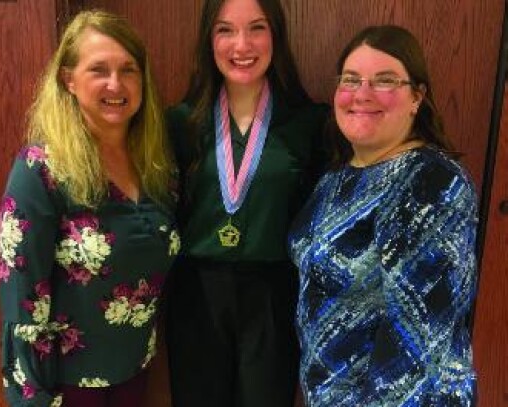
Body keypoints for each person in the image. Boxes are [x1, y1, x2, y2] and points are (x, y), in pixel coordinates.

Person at [0, 10, 179, 407]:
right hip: (67, 388)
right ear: (69, 79)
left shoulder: (157, 168)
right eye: (99, 69)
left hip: (135, 373)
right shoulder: (40, 171)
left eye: (128, 69)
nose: (116, 84)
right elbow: (20, 301)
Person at [288, 25, 478, 406]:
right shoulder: (335, 178)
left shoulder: (430, 182)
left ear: (416, 97)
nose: (362, 94)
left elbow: (415, 341)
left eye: (385, 81)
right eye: (351, 79)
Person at [164, 0, 328, 406]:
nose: (242, 44)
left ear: (276, 35)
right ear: (208, 39)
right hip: (196, 293)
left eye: (256, 28)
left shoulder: (309, 122)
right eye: (225, 30)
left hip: (274, 294)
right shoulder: (181, 123)